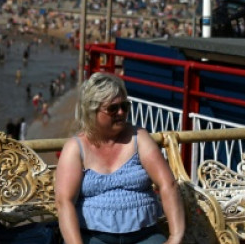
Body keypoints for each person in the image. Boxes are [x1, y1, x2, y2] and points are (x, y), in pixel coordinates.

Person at [55, 73, 184, 244]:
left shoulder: (139, 138)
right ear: (92, 111)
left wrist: (175, 237)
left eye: (125, 106)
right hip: (92, 236)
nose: (121, 112)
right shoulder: (76, 148)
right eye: (112, 108)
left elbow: (168, 184)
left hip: (143, 235)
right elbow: (65, 202)